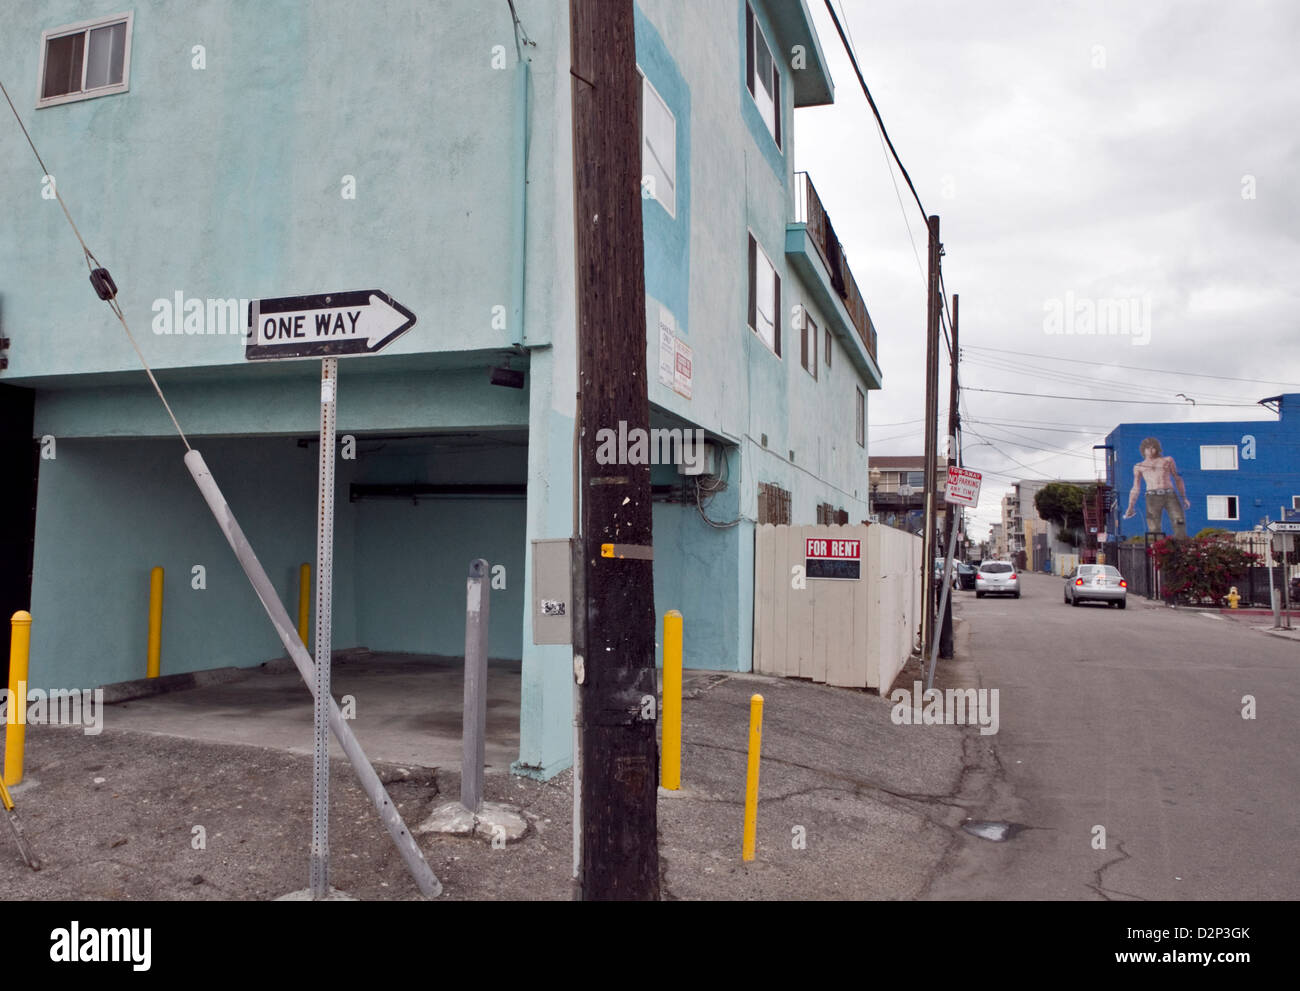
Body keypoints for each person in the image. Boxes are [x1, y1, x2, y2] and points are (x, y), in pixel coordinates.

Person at [1123, 437, 1189, 537]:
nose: (1150, 450)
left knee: (1179, 520)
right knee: (1153, 527)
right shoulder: (1139, 466)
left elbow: (1177, 478)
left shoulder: (1167, 460)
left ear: (1157, 449)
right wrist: (1130, 506)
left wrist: (1184, 498)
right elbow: (1135, 487)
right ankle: (1157, 550)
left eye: (1153, 447)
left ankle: (1181, 547)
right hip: (1152, 496)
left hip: (1169, 494)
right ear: (1143, 450)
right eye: (1147, 448)